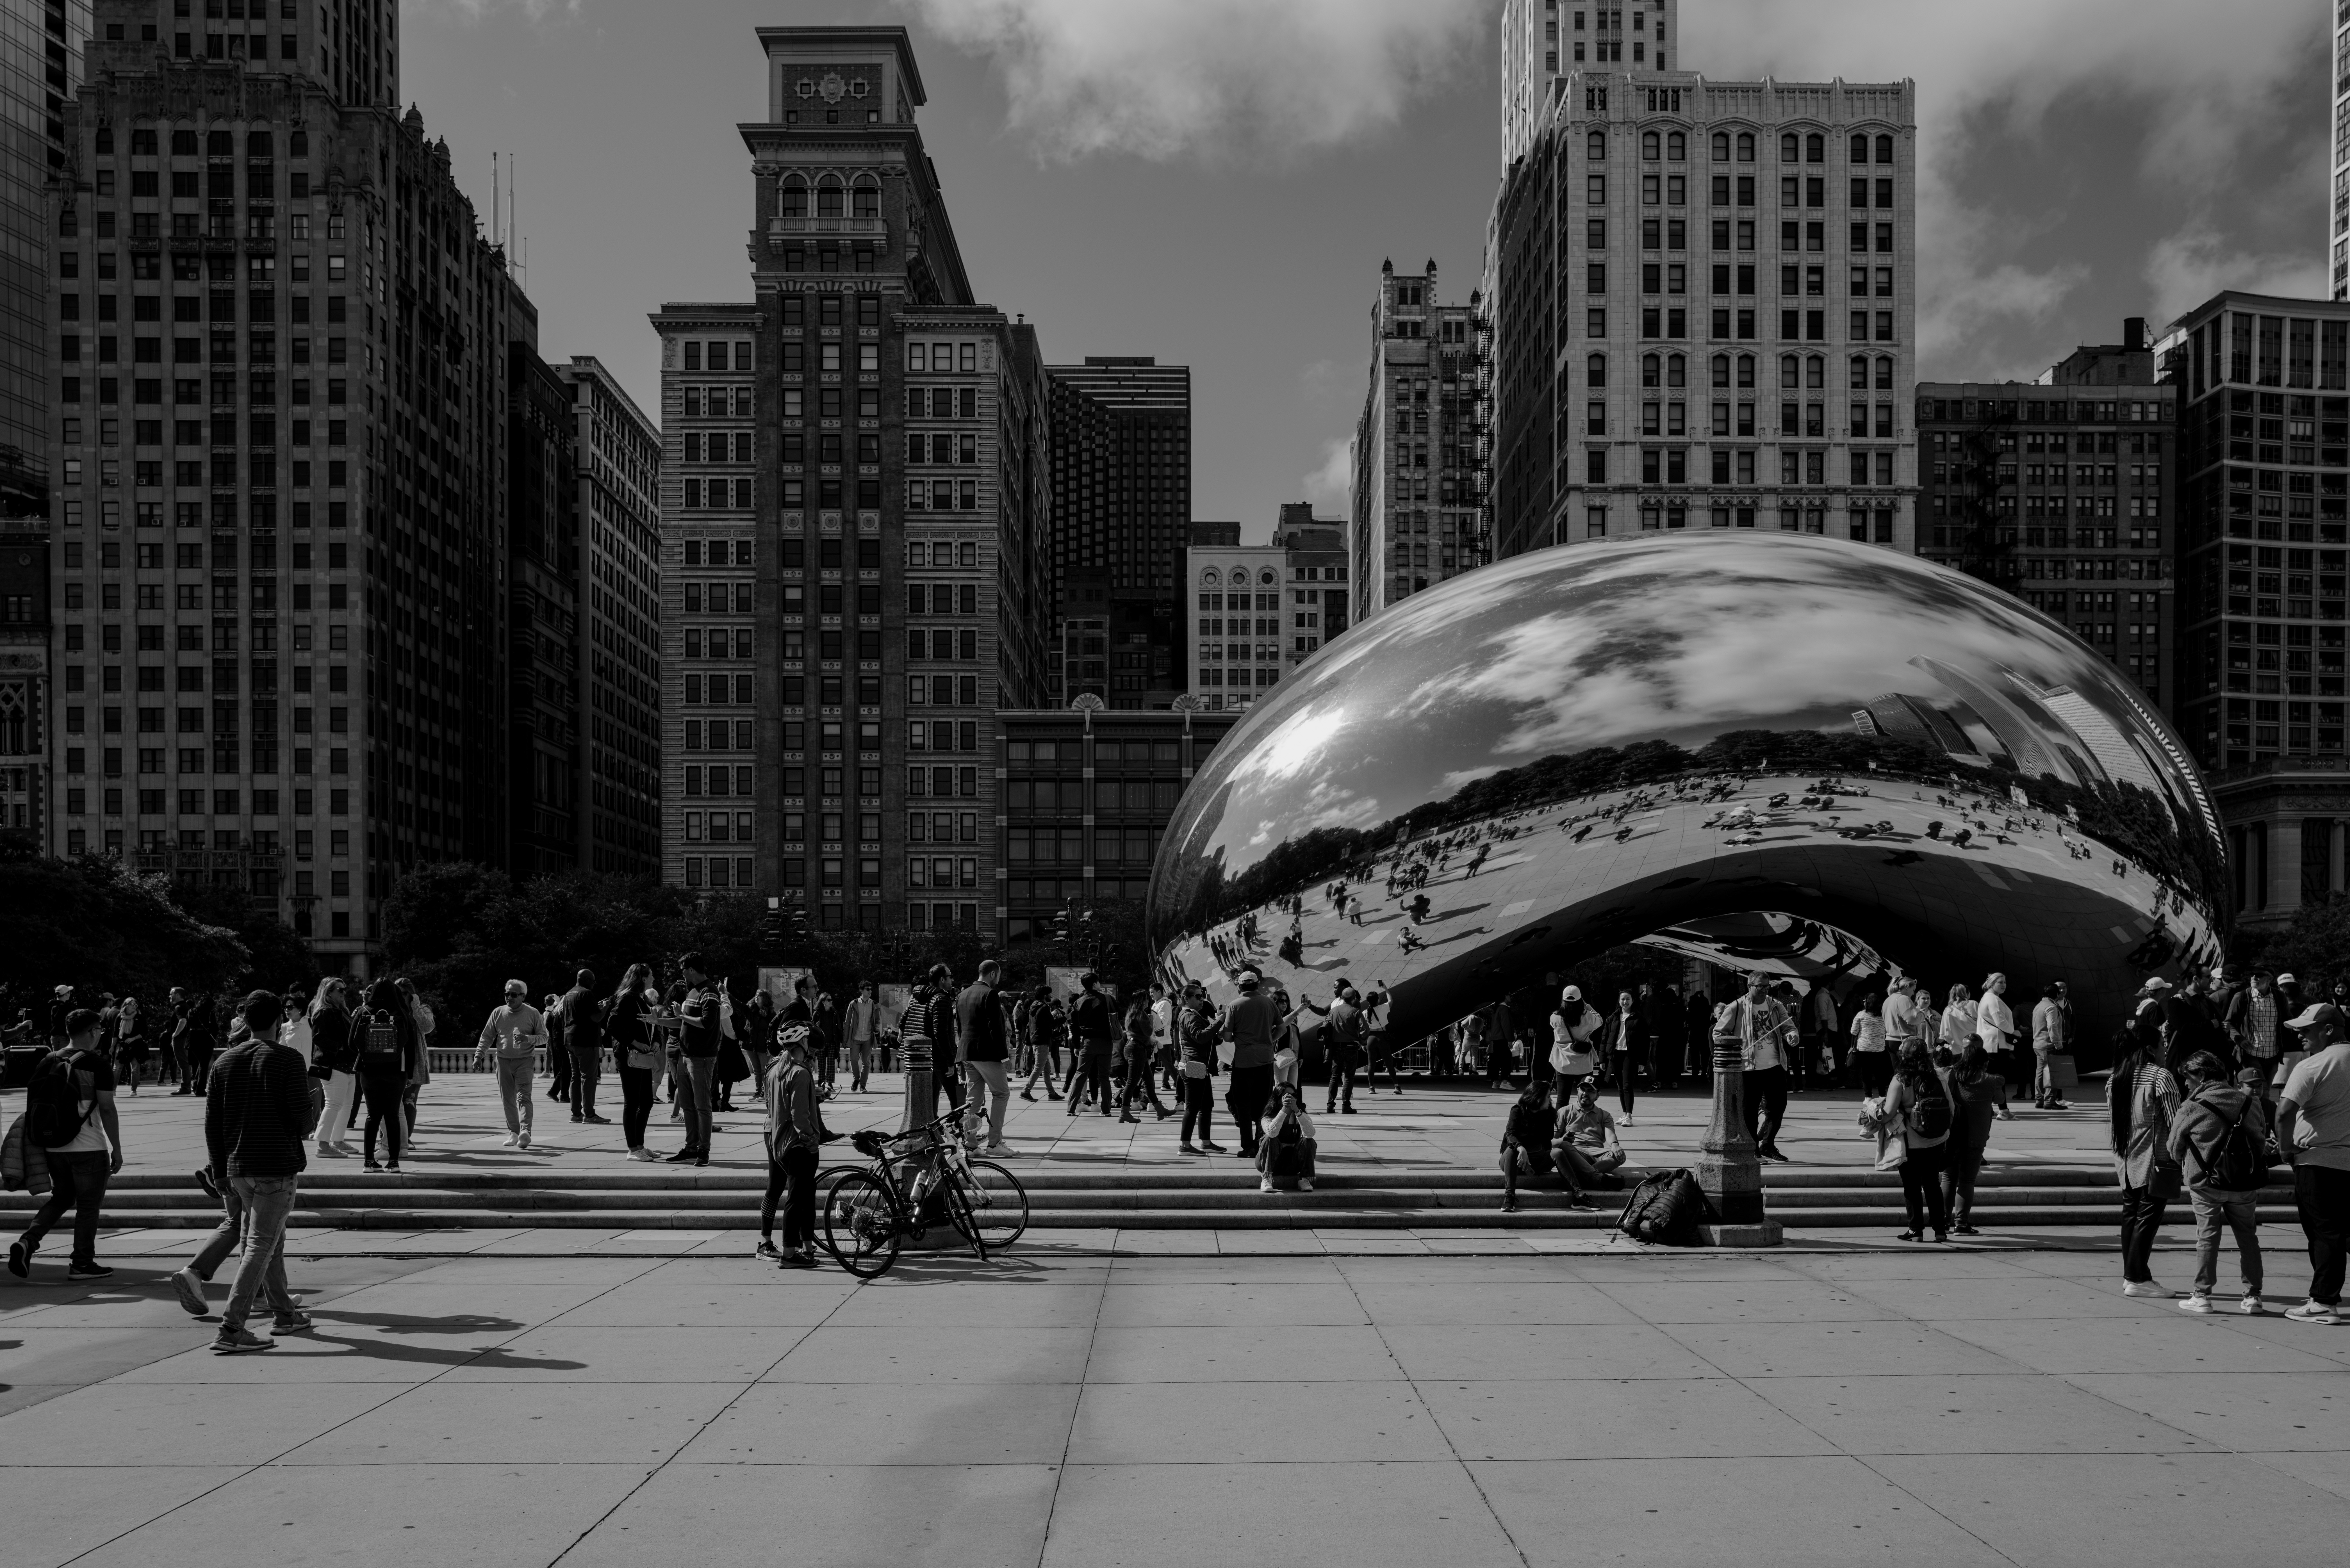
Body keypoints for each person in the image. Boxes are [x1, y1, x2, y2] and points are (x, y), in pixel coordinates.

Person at [177, 992, 315, 1352]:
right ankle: (232, 1327)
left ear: (248, 1021)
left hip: (239, 1167)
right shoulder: (288, 1059)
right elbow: (304, 1123)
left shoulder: (224, 1062)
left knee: (271, 1240)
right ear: (277, 1022)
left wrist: (220, 1171)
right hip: (276, 1164)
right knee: (261, 1244)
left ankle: (285, 1314)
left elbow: (213, 1124)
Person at [6, 1008, 124, 1282]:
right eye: (100, 1030)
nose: (101, 1035)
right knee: (88, 1206)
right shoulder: (96, 1064)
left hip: (53, 1146)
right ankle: (82, 1263)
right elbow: (107, 1108)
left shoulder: (48, 1060)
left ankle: (28, 1242)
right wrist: (117, 1148)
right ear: (93, 1031)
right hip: (89, 1148)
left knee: (61, 1198)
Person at [2168, 1050, 2269, 1315]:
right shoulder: (2248, 1102)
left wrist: (2189, 1158)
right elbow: (2260, 1141)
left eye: (2188, 1079)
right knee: (2249, 1238)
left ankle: (2202, 1295)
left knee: (2208, 1237)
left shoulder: (2193, 1106)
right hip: (2244, 1184)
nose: (2186, 1084)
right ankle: (2253, 1297)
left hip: (2205, 1183)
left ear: (2201, 1076)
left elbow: (2173, 1146)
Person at [2277, 1002, 2350, 1324]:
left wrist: (2285, 1148)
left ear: (2329, 1030)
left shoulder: (2313, 1066)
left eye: (2306, 1030)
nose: (2300, 1036)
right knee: (2342, 1233)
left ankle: (2323, 1302)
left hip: (2317, 1161)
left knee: (2324, 1233)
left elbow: (2283, 1113)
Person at [2109, 1012, 2183, 1297]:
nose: (2166, 1051)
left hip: (2127, 1160)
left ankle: (2134, 1276)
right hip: (2156, 1161)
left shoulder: (2116, 1077)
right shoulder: (2161, 1077)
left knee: (2131, 1215)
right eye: (2163, 1046)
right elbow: (2177, 1122)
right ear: (2151, 1049)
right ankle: (2137, 1278)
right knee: (2148, 1217)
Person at [755, 1022, 822, 1268]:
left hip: (779, 1143)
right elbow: (800, 1116)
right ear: (803, 1044)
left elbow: (772, 1106)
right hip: (797, 1145)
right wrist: (811, 1140)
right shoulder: (800, 1073)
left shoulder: (775, 1071)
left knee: (794, 1197)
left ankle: (793, 1249)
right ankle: (789, 1254)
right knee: (797, 1200)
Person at [1716, 971, 1794, 1161]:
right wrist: (1735, 1050)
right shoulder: (1737, 1007)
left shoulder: (1776, 1006)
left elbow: (1788, 1027)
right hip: (1749, 1067)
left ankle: (1768, 1145)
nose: (1763, 990)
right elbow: (1719, 1034)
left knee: (1778, 1107)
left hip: (1775, 1065)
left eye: (1766, 986)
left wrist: (1792, 1035)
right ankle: (1753, 1148)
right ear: (1749, 986)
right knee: (1749, 1110)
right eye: (1759, 986)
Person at [1884, 1039, 1953, 1243]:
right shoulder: (1938, 1075)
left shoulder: (1901, 1079)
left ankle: (1916, 1231)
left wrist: (1873, 1113)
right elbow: (1952, 1109)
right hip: (1937, 1141)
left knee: (1912, 1186)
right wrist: (1942, 1133)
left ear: (1903, 1056)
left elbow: (1888, 1113)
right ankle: (1940, 1230)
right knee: (1932, 1184)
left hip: (1911, 1143)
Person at [352, 980, 420, 1171]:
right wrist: (409, 1074)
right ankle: (394, 1162)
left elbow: (351, 1042)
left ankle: (368, 1162)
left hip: (369, 1071)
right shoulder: (402, 1014)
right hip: (396, 1071)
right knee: (393, 1116)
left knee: (372, 1116)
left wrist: (368, 1054)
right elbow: (411, 1047)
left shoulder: (363, 1012)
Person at [473, 978, 548, 1151]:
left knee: (524, 1097)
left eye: (514, 995)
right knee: (508, 1100)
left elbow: (544, 1037)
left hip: (525, 1061)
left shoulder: (533, 1013)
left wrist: (528, 1039)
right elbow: (487, 1037)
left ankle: (525, 1132)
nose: (509, 998)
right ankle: (514, 1134)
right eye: (507, 994)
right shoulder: (498, 1013)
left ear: (523, 996)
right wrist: (479, 1055)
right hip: (503, 1062)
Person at [1942, 1042, 2005, 1236]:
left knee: (1948, 1178)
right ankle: (1961, 1225)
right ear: (1984, 1063)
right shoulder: (1989, 1080)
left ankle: (1943, 1221)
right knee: (1967, 1181)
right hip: (1975, 1137)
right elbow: (2001, 1100)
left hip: (1951, 1135)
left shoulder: (1951, 1075)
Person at [670, 954, 723, 1165]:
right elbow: (684, 1024)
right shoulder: (693, 991)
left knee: (702, 1106)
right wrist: (658, 1020)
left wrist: (682, 1016)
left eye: (683, 969)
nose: (682, 973)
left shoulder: (709, 992)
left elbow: (707, 1023)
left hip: (701, 1058)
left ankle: (704, 1151)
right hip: (686, 1056)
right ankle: (691, 1147)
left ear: (692, 969)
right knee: (688, 1107)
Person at [1221, 970, 1281, 1157]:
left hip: (1244, 1062)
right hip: (1265, 1061)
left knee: (1243, 1106)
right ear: (1257, 985)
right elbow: (1282, 1028)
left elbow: (1228, 1037)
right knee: (1265, 1105)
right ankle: (1262, 1143)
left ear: (1240, 986)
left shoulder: (1235, 1005)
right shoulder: (1269, 1002)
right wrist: (1270, 1041)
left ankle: (1248, 1147)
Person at [607, 964, 662, 1161]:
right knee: (632, 1103)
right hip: (630, 1057)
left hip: (643, 1057)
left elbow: (653, 1025)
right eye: (652, 976)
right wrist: (635, 1042)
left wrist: (656, 1042)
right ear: (643, 978)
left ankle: (640, 1145)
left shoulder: (641, 998)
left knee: (646, 1101)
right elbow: (612, 1025)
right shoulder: (626, 998)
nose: (654, 979)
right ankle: (632, 1149)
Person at [957, 960, 1013, 1153]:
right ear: (992, 974)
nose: (999, 979)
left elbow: (960, 1027)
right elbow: (996, 1029)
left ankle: (971, 1144)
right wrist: (1005, 1057)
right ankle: (995, 1143)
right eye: (998, 975)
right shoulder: (990, 994)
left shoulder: (962, 994)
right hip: (986, 1053)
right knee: (1001, 1094)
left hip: (967, 1052)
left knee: (973, 1100)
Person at [1550, 1077, 1626, 1200]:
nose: (1585, 1093)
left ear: (1598, 1095)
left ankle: (1580, 1179)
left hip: (1597, 1153)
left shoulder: (1605, 1115)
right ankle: (1598, 1179)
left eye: (1591, 1091)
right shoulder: (1564, 1112)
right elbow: (1552, 1142)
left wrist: (1615, 1145)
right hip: (1575, 1153)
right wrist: (1563, 1140)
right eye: (1583, 1089)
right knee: (1564, 1146)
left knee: (1619, 1155)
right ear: (1578, 1091)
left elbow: (1610, 1134)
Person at [306, 977, 356, 1159]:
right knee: (334, 1104)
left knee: (346, 1106)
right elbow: (319, 1038)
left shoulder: (340, 1011)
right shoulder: (324, 1012)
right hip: (334, 1065)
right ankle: (323, 1145)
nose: (344, 993)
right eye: (340, 990)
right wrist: (341, 1047)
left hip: (347, 1065)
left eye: (345, 989)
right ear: (328, 992)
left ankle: (337, 1141)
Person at [1177, 981, 1224, 1154]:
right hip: (1193, 1065)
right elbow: (1200, 1037)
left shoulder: (1195, 1015)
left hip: (1199, 1066)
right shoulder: (1189, 1016)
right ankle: (1185, 1146)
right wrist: (1218, 1022)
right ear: (1186, 999)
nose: (1202, 999)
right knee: (1193, 1107)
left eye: (1202, 995)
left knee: (1206, 1106)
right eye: (1197, 997)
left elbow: (1212, 1039)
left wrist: (1217, 1027)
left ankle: (1206, 1142)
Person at [1498, 1079, 1557, 1213]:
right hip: (1512, 1161)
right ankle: (1510, 1196)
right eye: (1548, 1097)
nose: (1551, 1100)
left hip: (1535, 1161)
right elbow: (1510, 1134)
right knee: (1513, 1150)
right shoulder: (1518, 1110)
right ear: (1538, 1098)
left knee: (1559, 1151)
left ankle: (1578, 1194)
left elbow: (1548, 1141)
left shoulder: (1549, 1114)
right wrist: (1521, 1148)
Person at [1066, 975, 1118, 1120]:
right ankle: (1106, 1110)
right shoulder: (1108, 999)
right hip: (1106, 1042)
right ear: (1095, 983)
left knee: (1081, 1075)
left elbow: (1074, 1027)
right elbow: (1115, 1019)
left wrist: (1077, 1046)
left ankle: (1071, 1109)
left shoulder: (1078, 1002)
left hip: (1087, 1042)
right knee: (1104, 1077)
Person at [560, 969, 608, 1126]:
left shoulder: (569, 994)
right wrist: (606, 1007)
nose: (594, 985)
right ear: (587, 980)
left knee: (576, 1077)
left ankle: (576, 1114)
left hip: (570, 1039)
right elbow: (596, 1017)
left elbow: (579, 1013)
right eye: (593, 981)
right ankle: (590, 1114)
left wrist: (598, 1006)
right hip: (585, 1041)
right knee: (589, 1077)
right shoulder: (587, 993)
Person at [2226, 969, 2284, 1093]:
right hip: (2250, 1054)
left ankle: (2256, 1112)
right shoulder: (2242, 996)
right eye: (2252, 975)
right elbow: (2229, 1023)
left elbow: (2287, 1020)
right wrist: (2240, 1040)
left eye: (2259, 975)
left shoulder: (2279, 996)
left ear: (2270, 978)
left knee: (2262, 1093)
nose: (2254, 978)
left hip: (2273, 1055)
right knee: (2263, 1092)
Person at [394, 977, 434, 1145]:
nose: (402, 997)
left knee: (409, 1101)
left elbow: (427, 1028)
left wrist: (415, 1005)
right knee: (391, 1103)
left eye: (405, 993)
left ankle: (406, 1139)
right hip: (394, 1060)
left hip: (415, 1060)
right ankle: (386, 1139)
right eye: (399, 993)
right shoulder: (391, 1009)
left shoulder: (422, 1008)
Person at [1256, 1083, 1317, 1193]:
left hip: (1292, 1164)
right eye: (1286, 1095)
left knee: (1309, 1141)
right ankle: (1266, 1179)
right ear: (1278, 1097)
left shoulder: (1300, 1114)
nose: (1290, 1098)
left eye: (1293, 1095)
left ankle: (1304, 1179)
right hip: (1269, 1163)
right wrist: (1284, 1111)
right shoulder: (1268, 1116)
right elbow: (1272, 1133)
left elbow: (1311, 1134)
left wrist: (1298, 1112)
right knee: (1269, 1138)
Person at [1121, 992, 1171, 1122]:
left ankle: (1160, 1110)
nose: (1149, 1001)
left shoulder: (1131, 1013)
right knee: (1132, 1083)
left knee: (1149, 1081)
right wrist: (1152, 1020)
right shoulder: (1141, 1014)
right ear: (1143, 1001)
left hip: (1133, 1048)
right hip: (1137, 1049)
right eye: (1147, 999)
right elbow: (1149, 1032)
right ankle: (1125, 1112)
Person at [1599, 989, 1645, 1125]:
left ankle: (1629, 1117)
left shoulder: (1639, 1019)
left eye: (1628, 999)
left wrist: (1642, 1060)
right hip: (1615, 1054)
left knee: (1627, 1085)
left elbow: (1644, 1041)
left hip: (1629, 1055)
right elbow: (1604, 1039)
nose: (1625, 1002)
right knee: (1620, 1086)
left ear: (1633, 1001)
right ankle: (1625, 1115)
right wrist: (1602, 1059)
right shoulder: (1612, 1018)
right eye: (1623, 999)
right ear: (1619, 1001)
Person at [1548, 985, 1599, 1103]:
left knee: (1562, 1100)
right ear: (1580, 999)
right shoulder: (1588, 1017)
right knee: (1586, 1100)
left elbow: (1553, 1026)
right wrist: (1587, 1006)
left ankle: (1560, 1122)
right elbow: (1600, 1020)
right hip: (1584, 1065)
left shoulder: (1555, 1017)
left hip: (1563, 1064)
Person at [2031, 980, 2075, 1110]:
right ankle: (2049, 1101)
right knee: (2052, 1074)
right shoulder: (2052, 1007)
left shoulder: (2039, 1005)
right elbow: (2052, 1026)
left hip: (2038, 1044)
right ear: (2055, 994)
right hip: (2049, 1044)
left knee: (2040, 1072)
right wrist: (2058, 1044)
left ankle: (2039, 1100)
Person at [1323, 983, 1365, 1113]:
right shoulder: (1356, 1012)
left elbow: (1325, 1026)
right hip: (1352, 1048)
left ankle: (1330, 1105)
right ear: (1354, 999)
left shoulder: (1333, 1011)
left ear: (1342, 997)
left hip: (1337, 1048)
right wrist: (1361, 1042)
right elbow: (1364, 1030)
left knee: (1334, 1077)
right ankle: (1346, 1106)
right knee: (1348, 1077)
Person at [1848, 983, 1890, 1097]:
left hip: (1864, 1049)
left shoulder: (1861, 1015)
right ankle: (1882, 1096)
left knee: (1866, 1074)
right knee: (1880, 1074)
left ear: (1868, 1003)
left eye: (1865, 1001)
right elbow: (1888, 1031)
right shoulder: (1883, 1016)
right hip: (1880, 1049)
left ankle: (1868, 1097)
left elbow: (1854, 1031)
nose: (1864, 1002)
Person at [843, 981, 878, 1093]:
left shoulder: (875, 1005)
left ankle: (863, 1086)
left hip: (868, 1038)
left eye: (871, 989)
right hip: (856, 1038)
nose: (870, 991)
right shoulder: (853, 1004)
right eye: (868, 989)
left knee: (866, 1063)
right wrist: (846, 1039)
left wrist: (877, 1028)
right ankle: (856, 1080)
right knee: (853, 1060)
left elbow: (877, 1020)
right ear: (862, 991)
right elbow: (848, 1023)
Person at [544, 990, 572, 1107]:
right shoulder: (565, 1011)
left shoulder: (555, 1011)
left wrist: (553, 1035)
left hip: (555, 1041)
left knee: (565, 1068)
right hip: (564, 1041)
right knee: (567, 1069)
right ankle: (560, 1094)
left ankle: (560, 1094)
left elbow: (548, 1024)